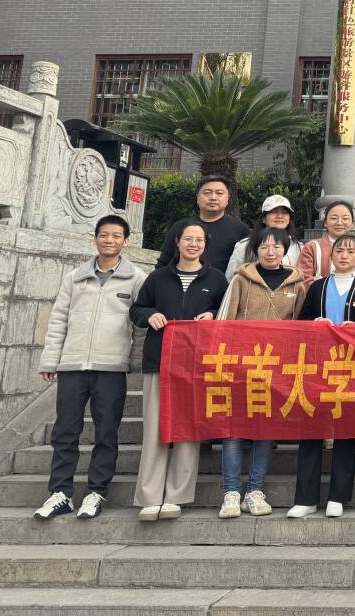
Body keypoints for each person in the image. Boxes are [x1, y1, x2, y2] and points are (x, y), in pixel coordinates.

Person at [34, 216, 147, 521]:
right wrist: (50, 359)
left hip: (111, 368)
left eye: (116, 236)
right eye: (104, 235)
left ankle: (97, 491)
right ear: (95, 238)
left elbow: (140, 327)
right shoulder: (75, 277)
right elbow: (58, 319)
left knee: (106, 432)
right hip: (72, 365)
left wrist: (133, 362)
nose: (109, 240)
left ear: (126, 241)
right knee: (65, 431)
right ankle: (60, 492)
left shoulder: (136, 278)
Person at [130, 222, 228, 521]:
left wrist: (212, 315)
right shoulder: (158, 277)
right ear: (177, 242)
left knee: (188, 429)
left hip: (196, 365)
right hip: (159, 360)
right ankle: (149, 496)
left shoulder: (216, 278)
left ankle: (177, 495)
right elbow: (137, 309)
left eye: (199, 240)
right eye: (188, 239)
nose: (193, 244)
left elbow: (226, 313)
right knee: (155, 429)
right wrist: (150, 315)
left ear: (205, 245)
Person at [216, 227, 305, 519]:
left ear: (285, 251)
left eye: (276, 247)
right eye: (264, 246)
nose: (270, 251)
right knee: (233, 428)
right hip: (240, 364)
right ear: (256, 250)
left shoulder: (297, 284)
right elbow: (224, 320)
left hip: (276, 368)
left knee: (265, 428)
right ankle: (231, 491)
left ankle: (255, 490)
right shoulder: (241, 280)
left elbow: (301, 328)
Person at [289, 234, 355, 519]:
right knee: (311, 429)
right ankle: (305, 498)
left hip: (352, 367)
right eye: (339, 250)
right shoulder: (318, 286)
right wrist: (315, 323)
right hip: (318, 365)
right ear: (331, 256)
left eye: (350, 251)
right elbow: (302, 320)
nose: (344, 255)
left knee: (346, 429)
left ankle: (338, 496)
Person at [154, 175, 249, 274]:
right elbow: (163, 263)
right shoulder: (180, 227)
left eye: (219, 193)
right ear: (197, 198)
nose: (213, 198)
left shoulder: (240, 230)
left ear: (228, 198)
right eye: (207, 193)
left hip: (222, 283)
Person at [224, 194, 301, 280]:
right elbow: (231, 278)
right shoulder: (245, 246)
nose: (280, 216)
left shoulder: (298, 247)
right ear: (263, 218)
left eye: (284, 213)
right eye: (274, 212)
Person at [298, 200, 355, 287]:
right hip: (319, 295)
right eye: (334, 218)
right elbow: (303, 280)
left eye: (345, 218)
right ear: (325, 222)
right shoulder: (312, 247)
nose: (339, 222)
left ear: (352, 223)